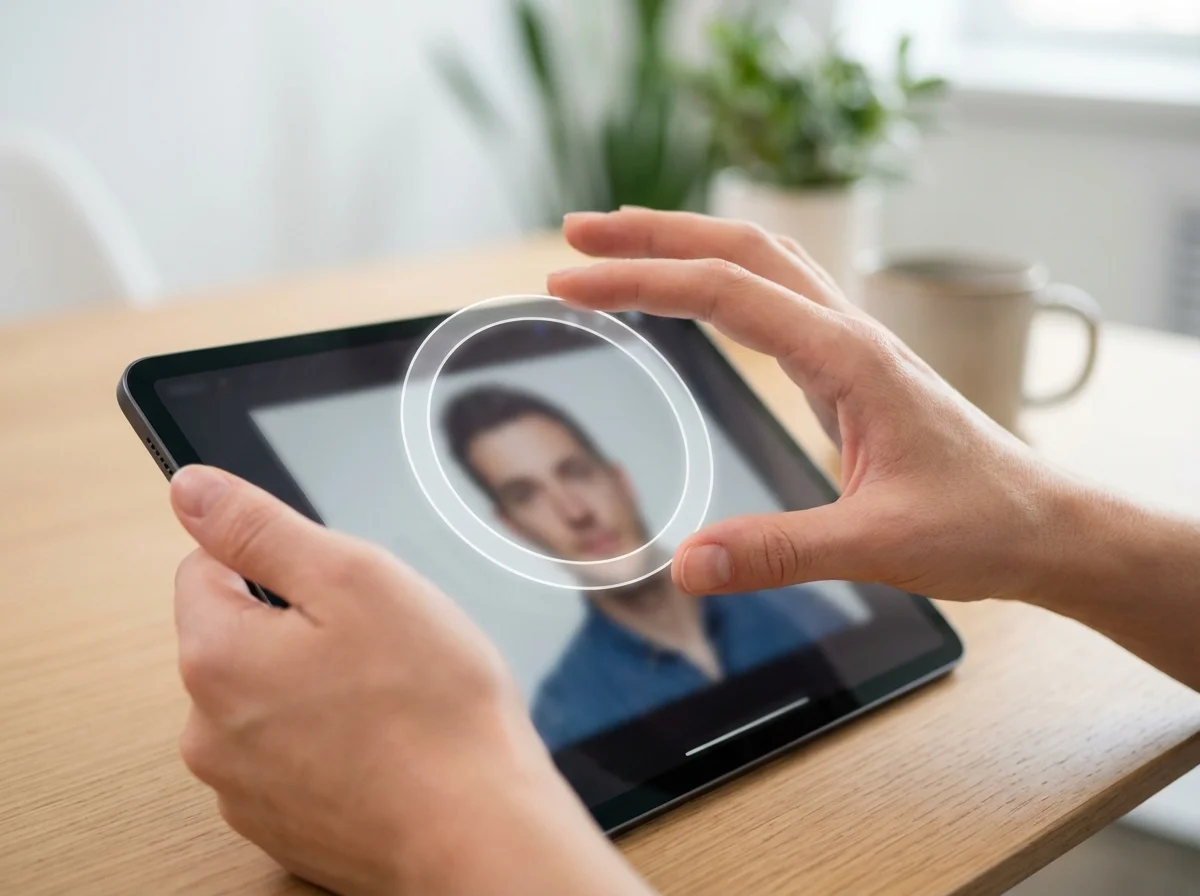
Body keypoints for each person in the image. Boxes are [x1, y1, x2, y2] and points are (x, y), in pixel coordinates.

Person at [168, 208, 1200, 895]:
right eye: (523, 493)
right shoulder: (551, 710)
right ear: (506, 526)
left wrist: (455, 834)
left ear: (618, 472)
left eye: (574, 468)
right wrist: (1057, 533)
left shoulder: (809, 610)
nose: (568, 506)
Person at [440, 385, 849, 750]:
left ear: (620, 481)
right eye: (526, 495)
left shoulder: (798, 607)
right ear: (514, 528)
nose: (575, 512)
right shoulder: (566, 717)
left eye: (577, 473)